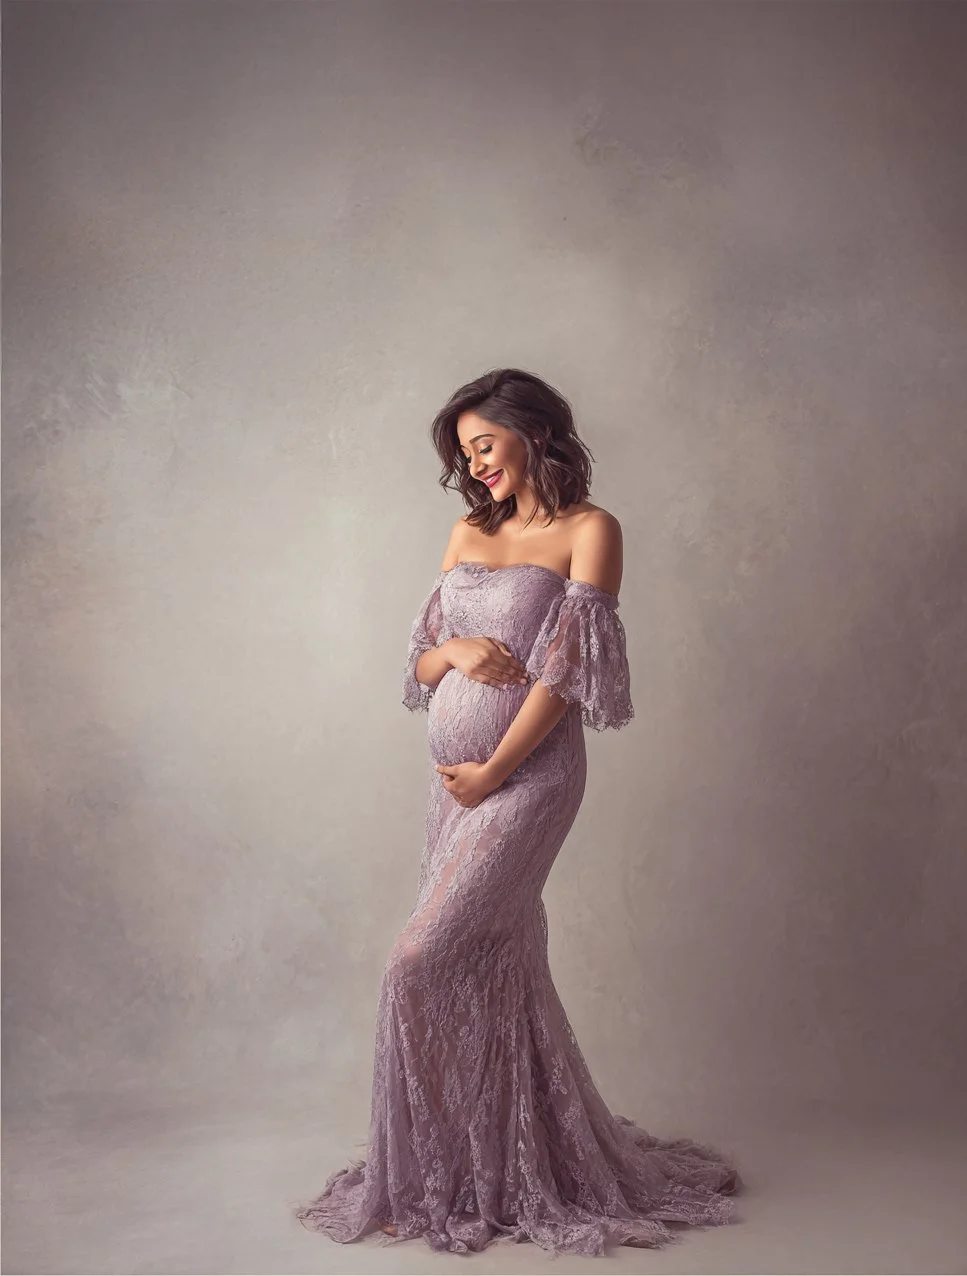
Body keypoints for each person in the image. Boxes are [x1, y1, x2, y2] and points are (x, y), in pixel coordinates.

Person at [292, 368, 741, 1255]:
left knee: (419, 960)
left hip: (527, 780)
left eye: (484, 445)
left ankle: (455, 1167)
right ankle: (465, 1171)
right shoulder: (466, 531)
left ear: (533, 432)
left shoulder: (590, 531)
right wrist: (454, 648)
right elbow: (419, 666)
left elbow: (569, 680)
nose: (474, 465)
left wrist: (494, 767)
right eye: (463, 454)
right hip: (450, 790)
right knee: (496, 965)